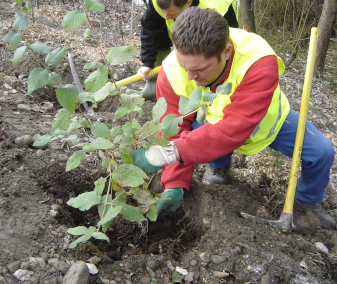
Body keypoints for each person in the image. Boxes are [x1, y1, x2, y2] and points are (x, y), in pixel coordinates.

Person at [131, 8, 336, 229]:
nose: (189, 76)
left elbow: (233, 128)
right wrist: (174, 184)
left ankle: (308, 202)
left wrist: (168, 154)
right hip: (212, 122)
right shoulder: (171, 72)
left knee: (322, 152)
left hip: (268, 122)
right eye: (184, 67)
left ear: (227, 51)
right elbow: (173, 129)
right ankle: (218, 168)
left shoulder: (258, 60)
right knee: (202, 130)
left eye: (200, 69)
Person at [138, 0, 239, 101]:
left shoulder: (216, 6)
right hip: (181, 32)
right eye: (164, 12)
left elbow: (231, 39)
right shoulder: (158, 2)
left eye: (172, 13)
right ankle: (153, 86)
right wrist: (148, 62)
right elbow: (150, 29)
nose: (166, 17)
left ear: (189, 2)